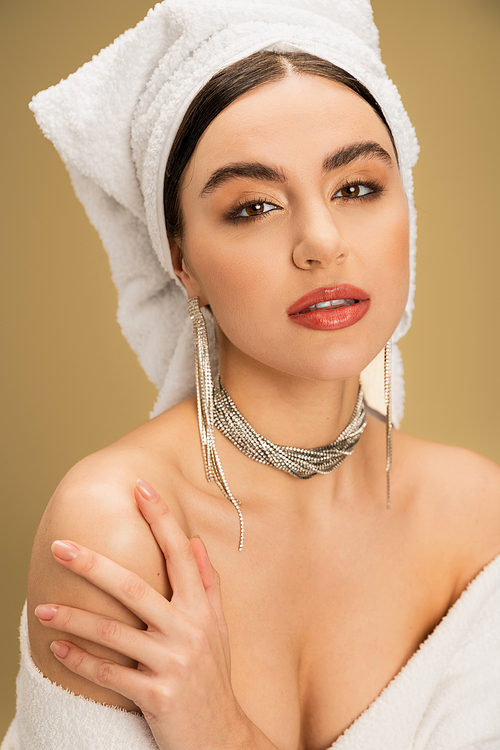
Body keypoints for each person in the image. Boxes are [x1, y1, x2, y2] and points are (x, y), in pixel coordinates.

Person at [2, 1, 500, 748]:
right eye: (254, 206)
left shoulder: (476, 520)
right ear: (182, 263)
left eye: (357, 188)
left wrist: (222, 732)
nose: (321, 242)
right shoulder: (119, 534)